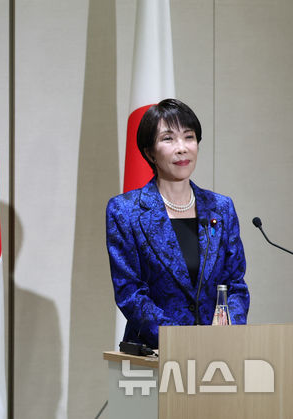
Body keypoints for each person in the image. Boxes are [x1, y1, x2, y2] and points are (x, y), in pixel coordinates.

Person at [106, 98, 249, 349]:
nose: (182, 148)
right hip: (157, 352)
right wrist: (182, 341)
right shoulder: (125, 211)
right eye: (168, 139)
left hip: (217, 353)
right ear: (149, 152)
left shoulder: (221, 208)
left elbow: (235, 285)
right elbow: (130, 292)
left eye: (189, 137)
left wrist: (227, 332)